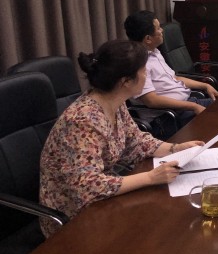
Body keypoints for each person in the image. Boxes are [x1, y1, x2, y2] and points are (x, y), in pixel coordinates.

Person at [39, 40, 204, 237]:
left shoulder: (114, 101)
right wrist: (151, 177)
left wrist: (176, 148)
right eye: (144, 71)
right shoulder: (82, 121)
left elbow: (136, 141)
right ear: (125, 81)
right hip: (73, 214)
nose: (147, 75)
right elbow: (87, 187)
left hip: (105, 198)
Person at [124, 10, 218, 127]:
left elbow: (175, 78)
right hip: (167, 117)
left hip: (185, 105)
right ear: (148, 39)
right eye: (158, 28)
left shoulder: (154, 52)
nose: (162, 30)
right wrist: (193, 106)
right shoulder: (138, 63)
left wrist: (205, 86)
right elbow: (151, 100)